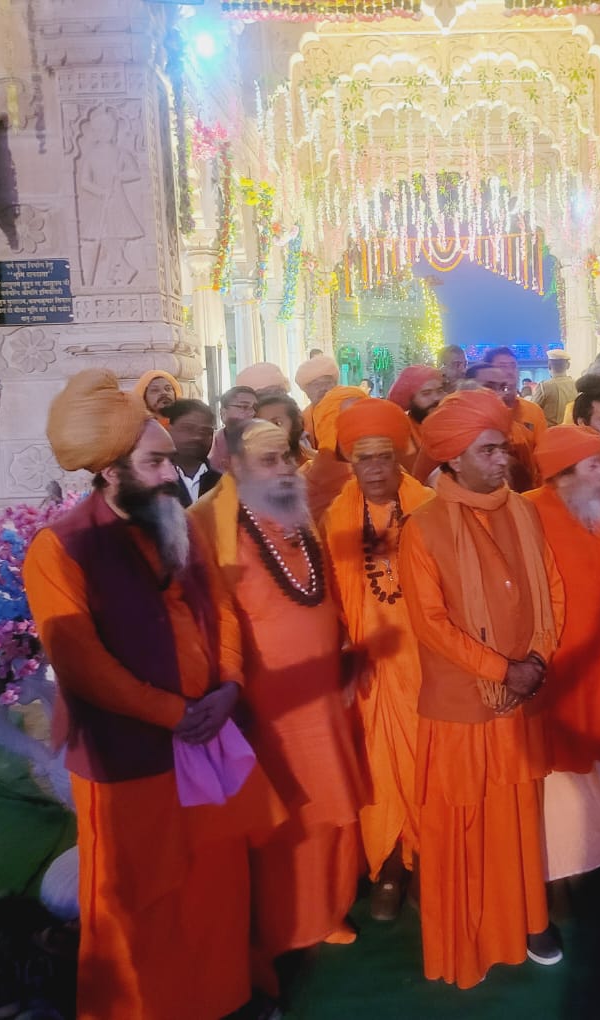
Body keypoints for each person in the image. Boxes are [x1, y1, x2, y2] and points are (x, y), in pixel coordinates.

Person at [25, 369, 282, 1019]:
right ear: (110, 471)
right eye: (155, 462)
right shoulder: (59, 549)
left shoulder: (176, 524)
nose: (171, 475)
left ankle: (223, 998)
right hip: (128, 758)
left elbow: (220, 610)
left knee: (216, 880)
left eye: (169, 459)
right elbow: (82, 665)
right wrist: (175, 714)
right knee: (143, 897)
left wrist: (230, 684)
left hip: (205, 733)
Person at [399, 389, 566, 988]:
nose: (503, 460)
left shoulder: (524, 511)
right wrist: (503, 671)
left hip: (521, 698)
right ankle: (467, 937)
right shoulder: (423, 527)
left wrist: (538, 657)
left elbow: (551, 589)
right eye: (488, 450)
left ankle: (529, 919)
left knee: (519, 816)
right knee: (464, 824)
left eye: (503, 448)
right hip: (461, 707)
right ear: (453, 458)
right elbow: (431, 624)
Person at [189, 419, 367, 977]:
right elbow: (213, 619)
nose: (286, 468)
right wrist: (231, 684)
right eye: (269, 460)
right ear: (235, 465)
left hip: (323, 694)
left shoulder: (296, 509)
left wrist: (347, 646)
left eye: (287, 456)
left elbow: (326, 587)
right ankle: (278, 928)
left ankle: (325, 912)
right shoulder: (208, 523)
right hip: (266, 705)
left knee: (332, 807)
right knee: (280, 818)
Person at [321, 399, 434, 921]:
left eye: (383, 457)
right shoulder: (335, 518)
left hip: (427, 665)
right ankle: (388, 861)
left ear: (399, 458)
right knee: (376, 764)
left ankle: (428, 855)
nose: (373, 468)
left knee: (426, 762)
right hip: (369, 666)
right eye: (362, 458)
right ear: (350, 462)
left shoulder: (430, 508)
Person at [526, 427, 600, 883]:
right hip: (558, 668)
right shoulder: (527, 512)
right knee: (561, 778)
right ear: (563, 473)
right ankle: (559, 872)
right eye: (595, 466)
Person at [299, 385, 367, 520]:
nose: (361, 431)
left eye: (365, 419)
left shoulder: (391, 473)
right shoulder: (302, 483)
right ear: (329, 429)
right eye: (349, 424)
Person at [469, 362, 539, 492]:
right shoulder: (451, 432)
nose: (499, 394)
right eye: (489, 387)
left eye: (502, 387)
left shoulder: (516, 431)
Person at [387, 364, 446, 478]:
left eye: (439, 391)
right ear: (410, 399)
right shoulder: (399, 432)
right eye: (426, 393)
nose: (436, 398)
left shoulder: (453, 425)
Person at [166, 399, 222, 508]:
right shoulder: (154, 480)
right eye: (188, 428)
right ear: (169, 430)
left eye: (205, 431)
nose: (197, 437)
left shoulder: (223, 482)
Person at [296, 355, 341, 447]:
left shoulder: (350, 408)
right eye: (316, 385)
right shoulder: (302, 420)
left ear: (336, 385)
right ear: (306, 390)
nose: (323, 388)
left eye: (327, 383)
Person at [210, 386, 258, 472]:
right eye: (244, 407)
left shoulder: (264, 443)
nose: (252, 413)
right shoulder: (209, 445)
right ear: (223, 413)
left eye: (255, 408)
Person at [256, 393, 308, 464]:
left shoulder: (316, 463)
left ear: (296, 423)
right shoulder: (249, 467)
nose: (267, 431)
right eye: (261, 425)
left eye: (277, 423)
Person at [532, 349, 576, 426]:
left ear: (549, 365)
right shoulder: (577, 385)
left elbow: (532, 410)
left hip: (550, 431)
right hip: (574, 431)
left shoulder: (544, 386)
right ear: (568, 366)